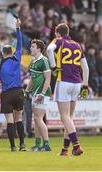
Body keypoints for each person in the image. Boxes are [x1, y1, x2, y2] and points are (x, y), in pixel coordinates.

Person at [47, 23, 89, 156]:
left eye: (55, 33)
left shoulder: (58, 41)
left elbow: (49, 50)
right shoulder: (77, 45)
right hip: (77, 83)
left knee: (64, 116)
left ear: (58, 33)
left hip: (64, 81)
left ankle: (76, 145)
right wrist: (85, 86)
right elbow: (86, 68)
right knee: (69, 117)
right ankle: (65, 149)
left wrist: (53, 67)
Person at [0, 19, 26, 152]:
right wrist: (18, 28)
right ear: (12, 51)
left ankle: (13, 147)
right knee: (19, 118)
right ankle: (22, 144)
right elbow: (20, 43)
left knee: (9, 120)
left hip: (6, 94)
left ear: (2, 54)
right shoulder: (17, 58)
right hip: (18, 92)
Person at [26, 39, 51, 151]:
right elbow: (32, 78)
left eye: (33, 46)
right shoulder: (33, 61)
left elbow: (48, 78)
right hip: (34, 93)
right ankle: (37, 144)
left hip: (42, 93)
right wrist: (27, 91)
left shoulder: (44, 60)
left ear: (39, 49)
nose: (31, 48)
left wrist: (42, 93)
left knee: (39, 118)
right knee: (35, 119)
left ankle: (46, 144)